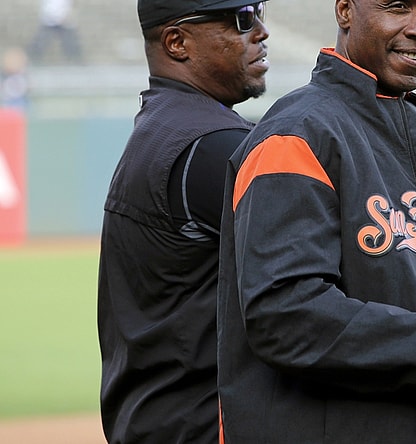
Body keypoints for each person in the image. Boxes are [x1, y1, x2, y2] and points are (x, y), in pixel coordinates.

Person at [217, 0, 416, 442]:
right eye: (398, 6)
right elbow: (283, 313)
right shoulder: (296, 134)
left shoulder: (405, 123)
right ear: (344, 10)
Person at [97, 1, 270, 442]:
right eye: (243, 18)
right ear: (177, 42)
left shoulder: (162, 126)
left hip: (156, 422)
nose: (262, 31)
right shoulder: (216, 146)